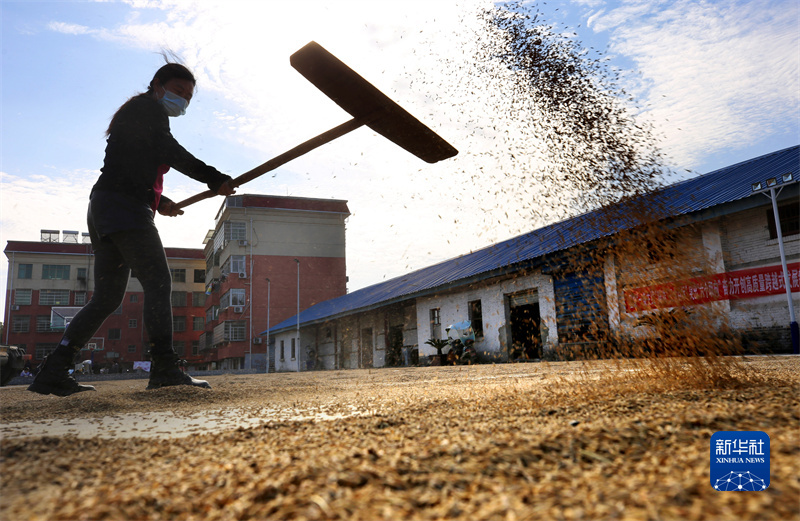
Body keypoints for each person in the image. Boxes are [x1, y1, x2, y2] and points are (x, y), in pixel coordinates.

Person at [28, 62, 235, 397]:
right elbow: (168, 150)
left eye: (188, 97)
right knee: (159, 281)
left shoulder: (138, 113)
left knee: (108, 296)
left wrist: (159, 200)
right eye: (178, 91)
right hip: (123, 208)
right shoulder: (148, 110)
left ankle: (52, 370)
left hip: (107, 205)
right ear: (157, 85)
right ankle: (165, 369)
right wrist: (213, 176)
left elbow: (130, 164)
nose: (182, 100)